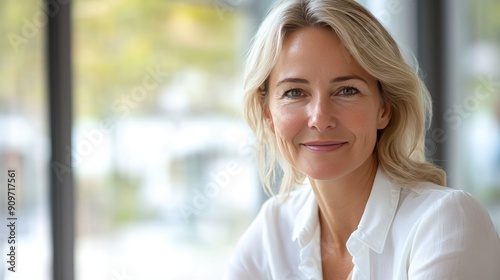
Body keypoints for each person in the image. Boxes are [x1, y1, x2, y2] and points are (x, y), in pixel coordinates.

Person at [224, 0, 500, 279]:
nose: (320, 118)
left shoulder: (445, 222)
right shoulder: (273, 230)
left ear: (384, 107)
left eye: (346, 90)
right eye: (295, 93)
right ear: (267, 112)